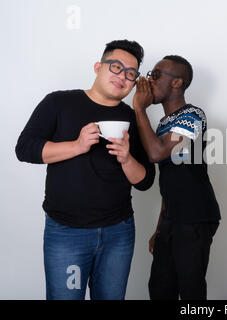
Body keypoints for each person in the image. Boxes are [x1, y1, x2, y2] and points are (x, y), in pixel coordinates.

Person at [15, 40, 155, 300]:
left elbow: (145, 180)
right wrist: (77, 146)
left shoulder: (133, 118)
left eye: (130, 73)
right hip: (67, 232)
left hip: (119, 232)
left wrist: (126, 159)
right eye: (116, 67)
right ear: (97, 67)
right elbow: (25, 148)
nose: (122, 76)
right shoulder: (59, 102)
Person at [133, 55, 221, 300]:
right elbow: (169, 183)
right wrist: (160, 227)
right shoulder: (163, 123)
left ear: (177, 83)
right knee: (160, 289)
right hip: (173, 217)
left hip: (195, 216)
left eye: (157, 74)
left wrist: (139, 108)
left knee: (191, 292)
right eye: (151, 73)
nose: (149, 79)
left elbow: (156, 153)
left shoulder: (193, 116)